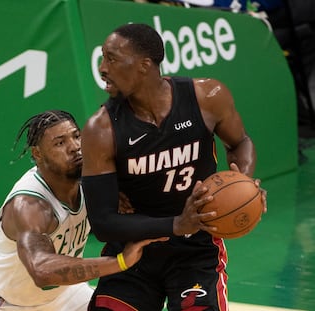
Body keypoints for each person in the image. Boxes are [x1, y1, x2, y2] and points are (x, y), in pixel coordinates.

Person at [81, 24, 267, 310]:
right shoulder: (101, 129)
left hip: (197, 249)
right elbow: (103, 223)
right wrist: (176, 225)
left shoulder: (207, 96)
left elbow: (241, 142)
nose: (103, 68)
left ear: (144, 65)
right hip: (133, 251)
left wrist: (242, 183)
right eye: (102, 58)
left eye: (112, 58)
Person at [0, 110, 167, 311]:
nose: (75, 147)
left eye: (76, 136)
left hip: (63, 297)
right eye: (60, 143)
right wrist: (119, 261)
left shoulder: (93, 178)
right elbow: (41, 270)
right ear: (38, 154)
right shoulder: (29, 206)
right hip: (0, 300)